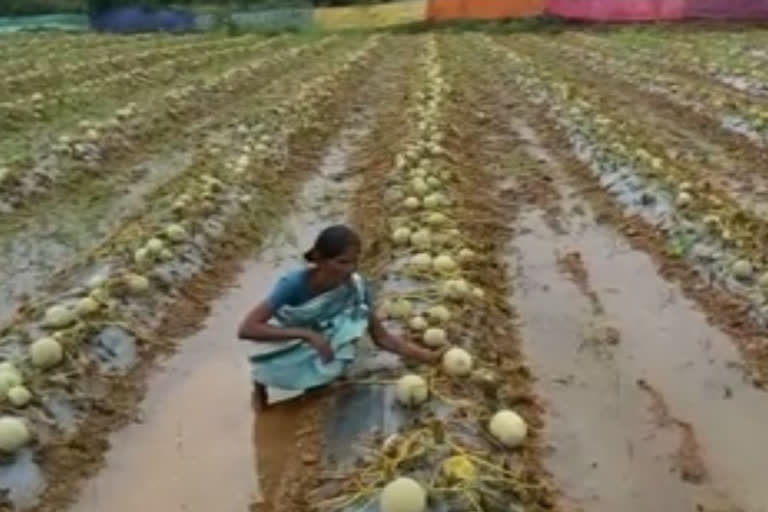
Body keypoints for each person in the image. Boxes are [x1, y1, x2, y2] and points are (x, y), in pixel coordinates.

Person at [238, 224, 441, 410]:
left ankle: (315, 382)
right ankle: (260, 384)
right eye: (342, 262)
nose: (350, 269)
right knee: (270, 364)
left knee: (350, 327)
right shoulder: (293, 284)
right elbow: (247, 328)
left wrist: (429, 358)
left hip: (320, 334)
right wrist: (306, 334)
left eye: (354, 261)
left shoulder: (355, 288)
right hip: (285, 337)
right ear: (319, 259)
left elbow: (382, 338)